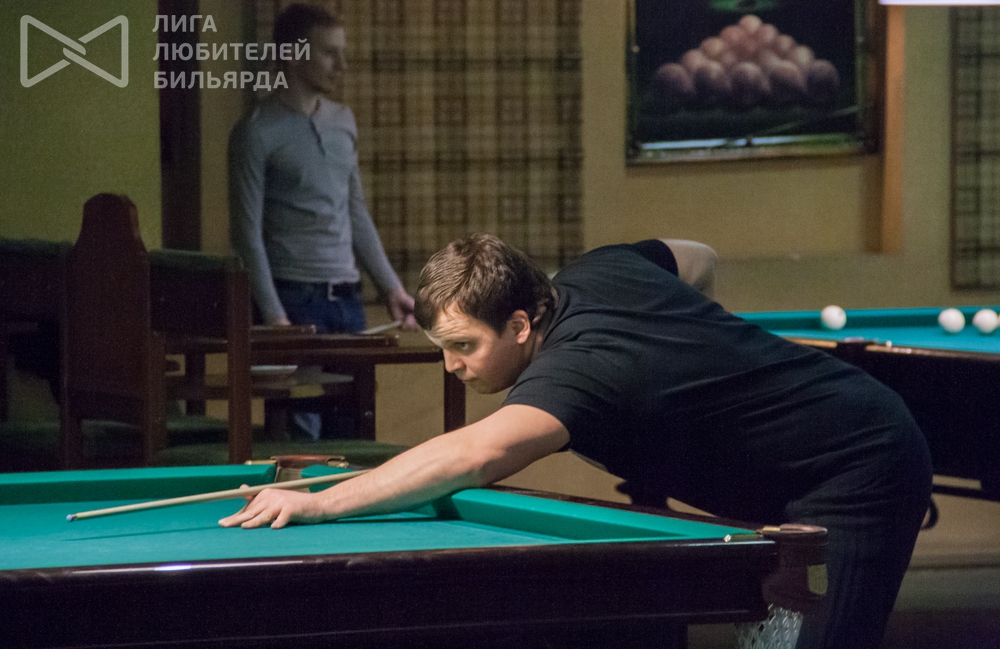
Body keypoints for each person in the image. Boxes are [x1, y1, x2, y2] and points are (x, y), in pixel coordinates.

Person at [220, 234, 933, 649]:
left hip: (858, 465)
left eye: (464, 345)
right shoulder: (596, 270)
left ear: (521, 325)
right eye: (443, 347)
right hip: (789, 466)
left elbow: (474, 454)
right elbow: (697, 257)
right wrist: (695, 354)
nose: (452, 366)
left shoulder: (575, 372)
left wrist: (321, 502)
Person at [228, 4, 415, 439]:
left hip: (348, 298)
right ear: (293, 56)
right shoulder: (255, 131)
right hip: (294, 297)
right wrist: (274, 316)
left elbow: (356, 211)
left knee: (354, 428)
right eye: (330, 53)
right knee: (300, 433)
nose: (342, 65)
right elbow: (246, 234)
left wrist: (391, 288)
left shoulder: (343, 121)